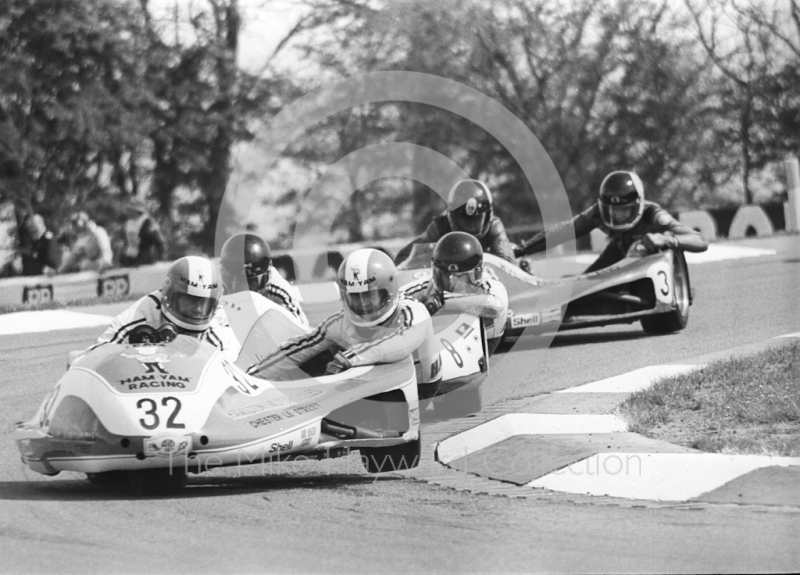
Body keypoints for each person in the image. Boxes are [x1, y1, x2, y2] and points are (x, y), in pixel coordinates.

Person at [248, 248, 438, 382]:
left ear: (388, 289)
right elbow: (296, 349)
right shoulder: (341, 322)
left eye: (369, 297)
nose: (363, 306)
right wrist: (251, 378)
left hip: (421, 390)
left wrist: (350, 358)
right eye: (355, 297)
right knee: (314, 356)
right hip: (371, 395)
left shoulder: (413, 311)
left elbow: (402, 344)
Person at [514, 171, 708, 272]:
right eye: (612, 211)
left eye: (625, 211)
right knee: (583, 286)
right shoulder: (597, 212)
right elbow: (565, 231)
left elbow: (700, 240)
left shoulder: (653, 214)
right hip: (619, 252)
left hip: (649, 259)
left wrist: (667, 239)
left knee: (653, 245)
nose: (618, 217)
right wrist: (522, 249)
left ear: (638, 204)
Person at [88, 256, 230, 353]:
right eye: (190, 301)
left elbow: (234, 376)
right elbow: (94, 356)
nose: (198, 309)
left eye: (204, 303)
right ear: (168, 294)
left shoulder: (218, 325)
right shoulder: (139, 315)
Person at [402, 232, 508, 345]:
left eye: (461, 277)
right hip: (438, 347)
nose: (452, 284)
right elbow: (396, 299)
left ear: (477, 273)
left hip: (484, 343)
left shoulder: (489, 285)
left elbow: (498, 306)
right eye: (445, 276)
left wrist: (442, 301)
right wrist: (417, 308)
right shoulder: (428, 284)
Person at [395, 179, 515, 265]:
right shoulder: (440, 226)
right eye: (463, 219)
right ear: (450, 215)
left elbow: (506, 264)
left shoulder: (494, 226)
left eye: (475, 220)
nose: (469, 226)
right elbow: (405, 257)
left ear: (488, 216)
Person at [219, 233, 309, 328]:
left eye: (251, 282)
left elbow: (301, 328)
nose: (245, 289)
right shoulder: (214, 282)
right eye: (239, 281)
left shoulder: (278, 288)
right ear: (224, 271)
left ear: (268, 271)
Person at [119, 198, 166, 267]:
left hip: (145, 259)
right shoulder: (128, 223)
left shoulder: (148, 222)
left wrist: (161, 259)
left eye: (129, 209)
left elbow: (160, 242)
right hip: (130, 258)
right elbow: (124, 241)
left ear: (136, 210)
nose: (127, 212)